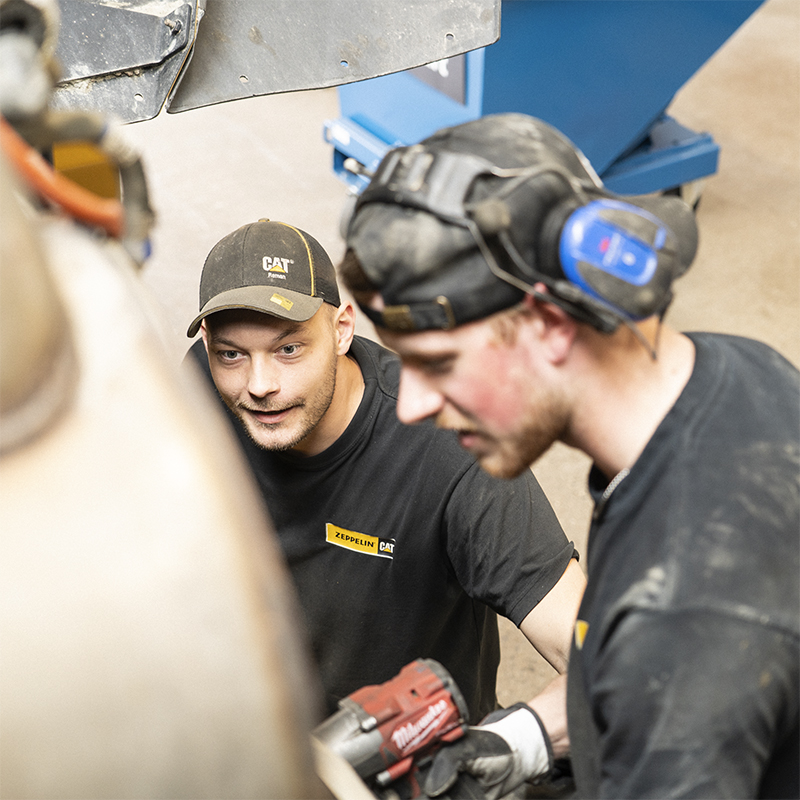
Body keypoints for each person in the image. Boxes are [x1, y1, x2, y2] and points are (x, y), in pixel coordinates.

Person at [339, 113, 800, 799]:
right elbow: (625, 672)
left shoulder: (679, 617)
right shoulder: (734, 371)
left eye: (437, 363)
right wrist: (520, 740)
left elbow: (661, 674)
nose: (411, 405)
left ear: (550, 322)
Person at [183, 218, 586, 764]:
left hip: (415, 766)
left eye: (289, 350)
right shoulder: (204, 397)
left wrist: (517, 746)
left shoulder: (445, 441)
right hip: (267, 750)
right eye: (232, 354)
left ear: (342, 329)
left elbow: (591, 647)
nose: (259, 386)